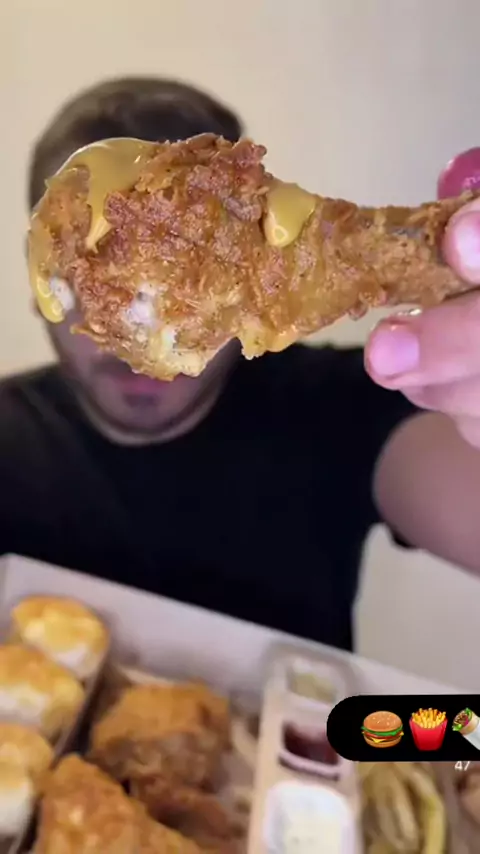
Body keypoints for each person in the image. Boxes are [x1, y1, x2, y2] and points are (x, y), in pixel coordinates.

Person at [3, 77, 480, 651]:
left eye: (182, 288)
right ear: (39, 286)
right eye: (86, 280)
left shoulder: (339, 405)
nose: (136, 336)